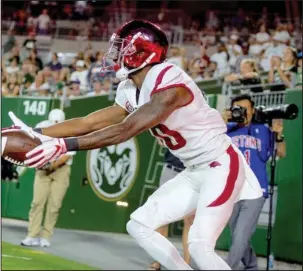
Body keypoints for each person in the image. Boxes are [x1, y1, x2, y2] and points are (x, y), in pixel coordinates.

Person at [6, 20, 262, 270]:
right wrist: (36, 132)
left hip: (221, 165)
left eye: (122, 46)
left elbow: (125, 130)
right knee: (139, 224)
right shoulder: (130, 87)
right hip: (194, 170)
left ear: (141, 52)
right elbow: (88, 122)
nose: (115, 53)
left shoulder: (169, 79)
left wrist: (63, 145)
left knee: (199, 245)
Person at [221, 94, 286, 270]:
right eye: (237, 108)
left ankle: (229, 267)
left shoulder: (264, 129)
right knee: (237, 234)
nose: (241, 112)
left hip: (256, 190)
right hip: (232, 189)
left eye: (244, 108)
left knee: (241, 235)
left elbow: (281, 153)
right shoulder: (226, 129)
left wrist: (279, 135)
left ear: (252, 110)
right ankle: (251, 265)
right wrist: (220, 121)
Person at [20, 109, 76, 247]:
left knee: (54, 205)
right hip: (43, 169)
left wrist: (51, 165)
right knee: (37, 202)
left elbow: (67, 156)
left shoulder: (70, 131)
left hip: (61, 170)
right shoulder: (42, 127)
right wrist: (40, 162)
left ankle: (46, 236)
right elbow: (33, 146)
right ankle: (32, 235)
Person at [148, 149, 194, 270]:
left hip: (191, 173)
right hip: (171, 169)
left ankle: (186, 264)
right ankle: (158, 259)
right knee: (162, 219)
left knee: (189, 220)